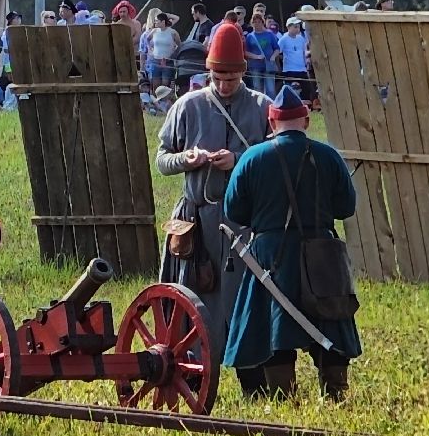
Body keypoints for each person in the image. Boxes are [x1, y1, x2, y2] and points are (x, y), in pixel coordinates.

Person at [154, 22, 272, 389]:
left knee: (244, 300)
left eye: (231, 78)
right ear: (208, 71)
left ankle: (253, 379)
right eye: (218, 77)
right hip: (196, 223)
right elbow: (161, 160)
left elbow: (272, 162)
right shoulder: (187, 106)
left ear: (243, 72)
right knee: (194, 297)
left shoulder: (261, 107)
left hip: (243, 225)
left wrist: (237, 160)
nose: (224, 85)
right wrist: (187, 159)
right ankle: (191, 377)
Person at [224, 86, 360, 400]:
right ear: (306, 121)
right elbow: (345, 208)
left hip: (271, 255)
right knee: (330, 320)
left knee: (274, 325)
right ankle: (335, 392)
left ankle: (282, 396)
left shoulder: (252, 158)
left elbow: (235, 211)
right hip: (322, 252)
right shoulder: (328, 155)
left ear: (272, 123)